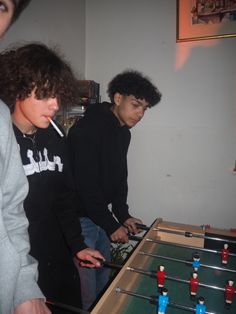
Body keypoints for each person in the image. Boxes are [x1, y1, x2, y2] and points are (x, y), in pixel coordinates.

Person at [0, 42, 104, 314]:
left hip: (58, 258)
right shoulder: (4, 141)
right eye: (45, 95)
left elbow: (64, 199)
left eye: (57, 95)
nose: (55, 105)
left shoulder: (56, 138)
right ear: (18, 88)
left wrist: (77, 245)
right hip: (19, 265)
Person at [67, 69, 162, 309]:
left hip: (99, 214)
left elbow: (120, 178)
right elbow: (86, 186)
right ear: (117, 98)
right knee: (86, 291)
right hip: (80, 218)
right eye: (136, 105)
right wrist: (111, 224)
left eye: (145, 109)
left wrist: (123, 214)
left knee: (103, 281)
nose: (140, 114)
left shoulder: (123, 134)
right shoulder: (86, 130)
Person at [0, 1, 51, 314]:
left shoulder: (1, 120)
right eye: (46, 93)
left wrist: (22, 284)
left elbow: (11, 212)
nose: (55, 105)